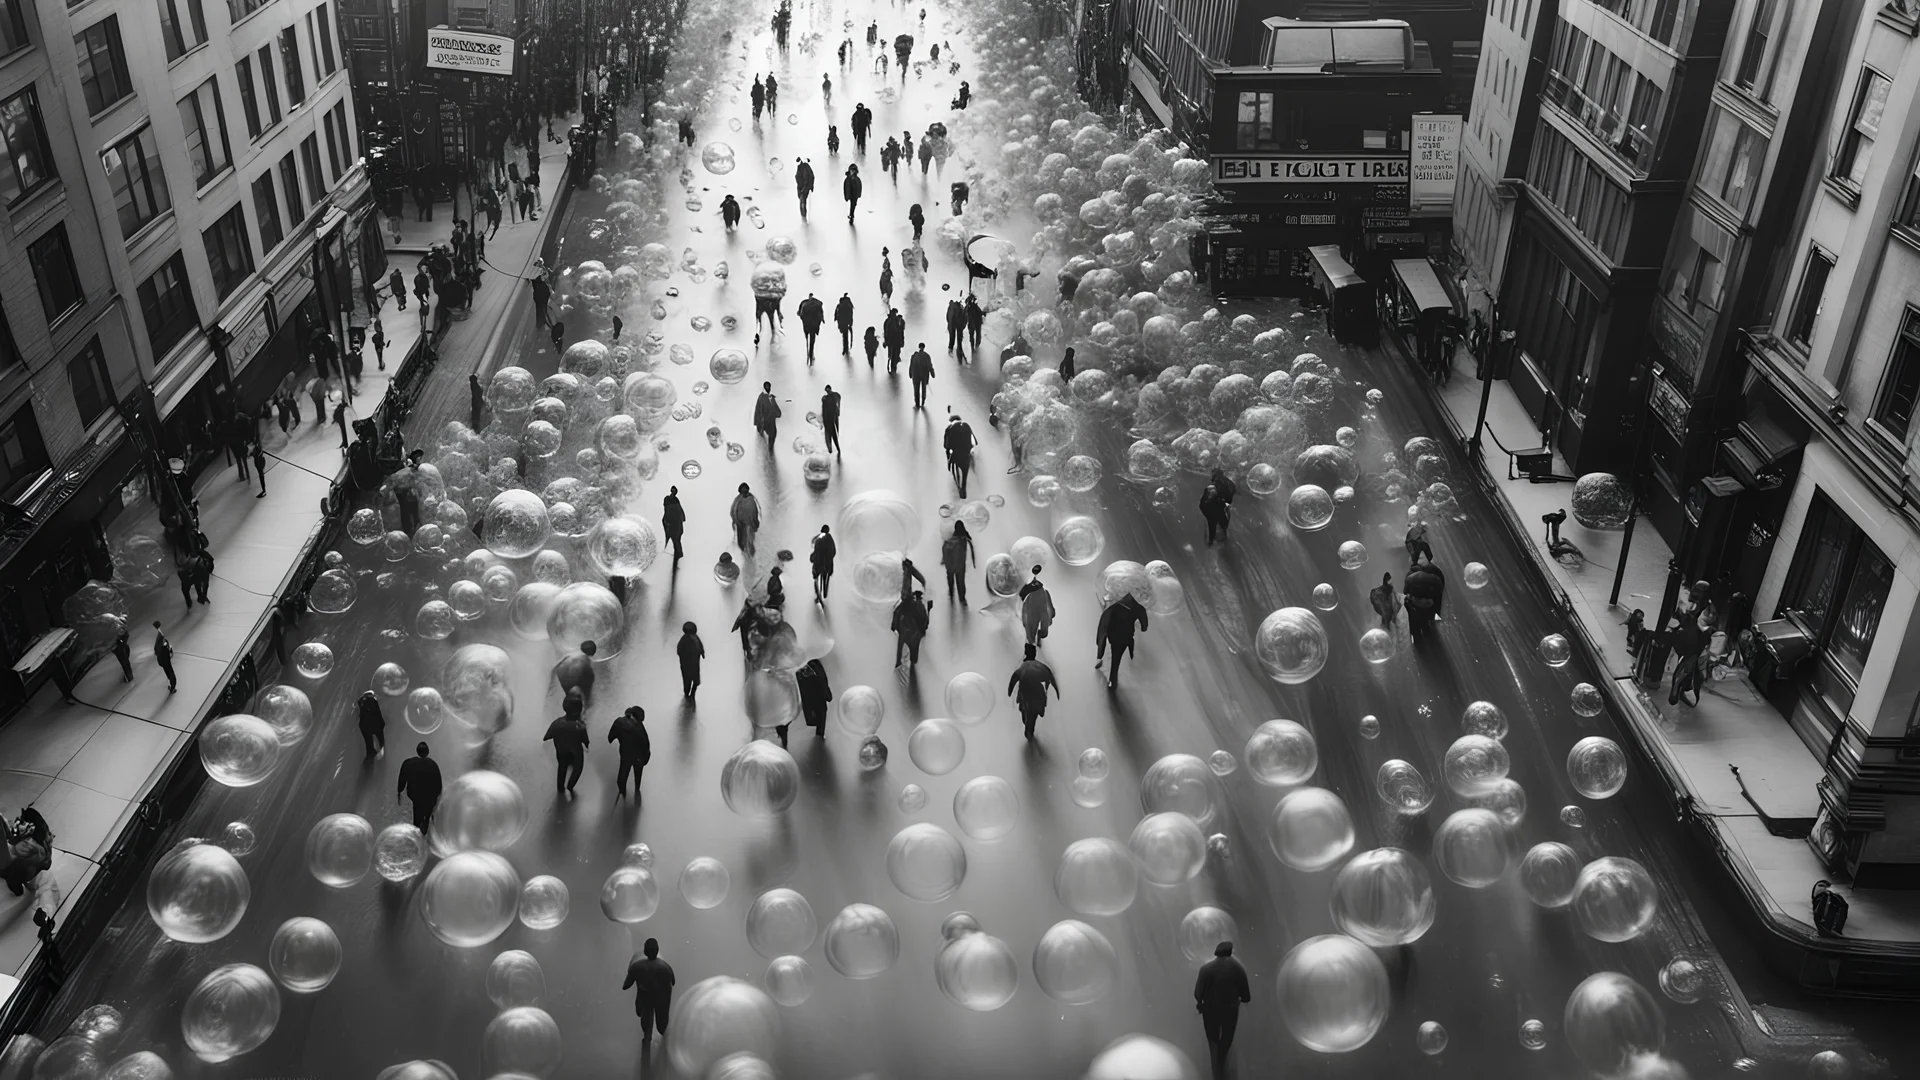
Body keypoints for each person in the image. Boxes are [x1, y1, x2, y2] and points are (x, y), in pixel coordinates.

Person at [1194, 941, 1251, 1078]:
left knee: (1212, 1039)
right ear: (1230, 952)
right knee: (1226, 1039)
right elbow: (1246, 996)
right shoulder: (1238, 969)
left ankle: (1216, 1071)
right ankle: (1223, 1065)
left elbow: (1197, 993)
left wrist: (1202, 1001)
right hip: (1230, 1011)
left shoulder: (1205, 969)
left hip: (1209, 1010)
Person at [624, 938, 675, 1047]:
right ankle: (665, 1046)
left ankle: (646, 1045)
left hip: (645, 998)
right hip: (662, 999)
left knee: (646, 1024)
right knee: (662, 1024)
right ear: (657, 950)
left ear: (645, 951)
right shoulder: (665, 967)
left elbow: (626, 985)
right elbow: (673, 982)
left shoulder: (636, 966)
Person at [1096, 592, 1150, 689]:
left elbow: (1106, 618)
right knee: (1116, 658)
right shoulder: (1139, 609)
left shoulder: (1115, 604)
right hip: (1125, 637)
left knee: (1113, 652)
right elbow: (1144, 627)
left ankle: (1101, 659)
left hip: (1112, 635)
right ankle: (1113, 680)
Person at [1007, 643, 1059, 740]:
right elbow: (1050, 677)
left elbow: (1014, 678)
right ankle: (1030, 729)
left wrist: (1010, 691)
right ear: (1034, 654)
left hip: (1025, 694)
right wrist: (1056, 690)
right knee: (1033, 716)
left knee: (1025, 711)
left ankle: (1027, 722)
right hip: (1037, 696)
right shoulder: (1042, 666)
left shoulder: (1023, 667)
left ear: (1026, 653)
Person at [543, 694, 590, 795]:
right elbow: (585, 740)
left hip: (561, 751)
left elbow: (547, 737)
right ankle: (570, 786)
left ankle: (560, 788)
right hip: (576, 753)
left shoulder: (556, 723)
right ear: (579, 710)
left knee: (562, 768)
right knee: (577, 769)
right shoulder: (580, 726)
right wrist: (586, 745)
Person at [397, 743, 442, 829]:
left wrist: (399, 790)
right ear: (427, 752)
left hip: (415, 794)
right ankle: (426, 820)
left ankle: (417, 827)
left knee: (417, 810)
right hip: (430, 794)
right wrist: (436, 799)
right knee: (428, 808)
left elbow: (403, 777)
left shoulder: (409, 763)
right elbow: (438, 783)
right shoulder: (432, 764)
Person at [608, 706, 650, 799]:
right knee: (638, 775)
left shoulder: (619, 722)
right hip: (638, 758)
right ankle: (637, 792)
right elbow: (646, 747)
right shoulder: (640, 730)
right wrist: (645, 760)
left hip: (625, 754)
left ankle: (623, 795)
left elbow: (610, 737)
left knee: (622, 776)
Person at [1404, 562, 1445, 641]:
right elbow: (1439, 593)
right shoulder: (1435, 578)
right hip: (1429, 606)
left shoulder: (1410, 578)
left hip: (1414, 606)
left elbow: (1405, 591)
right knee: (1425, 619)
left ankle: (1417, 638)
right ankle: (1427, 631)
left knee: (1414, 622)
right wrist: (1436, 611)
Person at [892, 589, 931, 668]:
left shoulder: (902, 605)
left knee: (900, 645)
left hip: (904, 631)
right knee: (914, 650)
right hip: (915, 633)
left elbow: (896, 613)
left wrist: (894, 626)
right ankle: (913, 663)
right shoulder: (919, 606)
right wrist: (924, 628)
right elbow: (925, 619)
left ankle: (898, 661)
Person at [797, 658, 832, 740]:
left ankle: (820, 732)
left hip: (816, 693)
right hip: (814, 693)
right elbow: (823, 679)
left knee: (821, 712)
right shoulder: (812, 665)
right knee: (820, 712)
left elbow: (823, 679)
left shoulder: (813, 664)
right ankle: (819, 732)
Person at [941, 522, 976, 605]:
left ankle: (951, 592)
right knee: (960, 581)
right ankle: (962, 598)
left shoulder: (950, 539)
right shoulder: (963, 538)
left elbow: (945, 549)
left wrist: (944, 560)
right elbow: (970, 543)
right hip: (960, 565)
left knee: (950, 578)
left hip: (950, 565)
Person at [553, 640, 597, 704]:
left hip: (561, 677)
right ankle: (585, 706)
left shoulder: (569, 655)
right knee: (586, 689)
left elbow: (555, 667)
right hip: (573, 680)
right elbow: (590, 678)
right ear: (593, 653)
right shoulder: (586, 661)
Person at [944, 413, 977, 496]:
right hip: (966, 454)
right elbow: (975, 442)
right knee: (965, 471)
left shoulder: (949, 428)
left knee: (953, 465)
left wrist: (949, 452)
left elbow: (946, 445)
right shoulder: (967, 426)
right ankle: (963, 487)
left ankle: (958, 484)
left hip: (956, 454)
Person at [1021, 570, 1056, 646]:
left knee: (1034, 632)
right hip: (1033, 609)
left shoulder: (1042, 593)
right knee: (1033, 632)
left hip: (1036, 609)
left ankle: (1034, 640)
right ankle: (1034, 640)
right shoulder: (1039, 593)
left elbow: (1049, 610)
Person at [731, 483, 762, 554]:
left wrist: (755, 523)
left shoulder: (751, 499)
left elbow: (755, 512)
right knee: (741, 542)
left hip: (750, 524)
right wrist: (735, 521)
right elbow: (733, 511)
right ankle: (745, 554)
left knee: (749, 541)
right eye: (742, 490)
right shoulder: (738, 500)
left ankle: (750, 556)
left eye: (745, 490)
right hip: (740, 524)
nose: (744, 491)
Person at [676, 622, 705, 698]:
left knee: (695, 680)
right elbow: (679, 650)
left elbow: (700, 645)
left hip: (694, 663)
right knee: (687, 681)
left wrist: (702, 652)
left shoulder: (695, 638)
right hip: (687, 664)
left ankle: (692, 693)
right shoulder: (684, 639)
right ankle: (687, 693)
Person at [358, 691, 387, 758]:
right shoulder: (374, 702)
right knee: (381, 743)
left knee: (369, 746)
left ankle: (370, 758)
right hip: (377, 726)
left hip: (366, 728)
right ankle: (380, 757)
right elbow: (379, 715)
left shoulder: (363, 704)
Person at [811, 525, 836, 601]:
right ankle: (824, 594)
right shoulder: (830, 539)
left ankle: (819, 595)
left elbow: (816, 550)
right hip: (827, 563)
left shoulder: (819, 538)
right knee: (825, 578)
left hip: (819, 563)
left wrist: (813, 557)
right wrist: (829, 558)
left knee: (817, 578)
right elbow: (833, 551)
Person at [798, 293, 826, 360]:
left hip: (806, 324)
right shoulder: (818, 304)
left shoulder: (803, 303)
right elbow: (821, 313)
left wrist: (802, 318)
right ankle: (811, 353)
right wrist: (822, 319)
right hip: (814, 324)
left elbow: (800, 313)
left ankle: (808, 350)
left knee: (807, 336)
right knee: (812, 339)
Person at [662, 487, 686, 560]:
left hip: (674, 522)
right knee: (674, 538)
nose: (673, 493)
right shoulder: (668, 499)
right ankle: (676, 552)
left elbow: (680, 511)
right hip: (671, 521)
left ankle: (677, 553)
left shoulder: (675, 500)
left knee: (676, 539)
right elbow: (667, 509)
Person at [908, 343, 934, 408]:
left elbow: (911, 365)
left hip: (916, 374)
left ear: (919, 347)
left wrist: (910, 373)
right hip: (924, 374)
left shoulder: (914, 356)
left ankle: (917, 402)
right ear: (924, 347)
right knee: (923, 387)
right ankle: (923, 400)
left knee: (916, 389)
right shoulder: (927, 356)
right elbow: (930, 365)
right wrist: (932, 373)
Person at [153, 622, 176, 693]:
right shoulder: (162, 640)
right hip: (165, 660)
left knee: (167, 671)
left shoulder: (157, 641)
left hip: (161, 661)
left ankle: (171, 684)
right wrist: (170, 652)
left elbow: (156, 651)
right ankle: (173, 687)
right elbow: (167, 648)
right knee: (170, 671)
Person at [821, 386, 842, 454]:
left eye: (828, 390)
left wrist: (838, 409)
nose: (828, 392)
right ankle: (832, 448)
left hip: (831, 418)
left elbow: (838, 399)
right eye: (827, 391)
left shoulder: (833, 396)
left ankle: (834, 448)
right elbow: (824, 409)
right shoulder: (826, 398)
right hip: (829, 418)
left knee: (832, 433)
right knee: (831, 433)